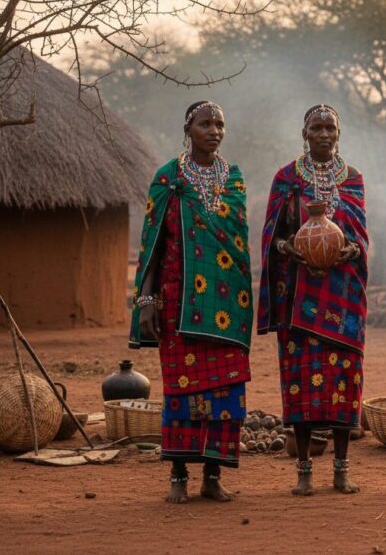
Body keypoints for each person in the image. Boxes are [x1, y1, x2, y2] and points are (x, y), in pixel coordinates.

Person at [130, 100, 253, 504]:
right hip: (178, 303)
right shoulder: (168, 177)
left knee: (225, 392)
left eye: (220, 123)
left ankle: (213, 476)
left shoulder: (233, 178)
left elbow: (239, 246)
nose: (214, 130)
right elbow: (151, 245)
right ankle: (179, 474)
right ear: (189, 128)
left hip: (227, 307)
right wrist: (146, 299)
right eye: (205, 124)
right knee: (181, 392)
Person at [258, 104, 368, 496]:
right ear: (304, 133)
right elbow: (272, 236)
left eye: (330, 127)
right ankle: (304, 470)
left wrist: (348, 251)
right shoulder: (286, 178)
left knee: (344, 381)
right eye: (316, 127)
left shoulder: (353, 179)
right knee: (301, 384)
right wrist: (293, 247)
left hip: (343, 297)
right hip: (299, 297)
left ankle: (341, 469)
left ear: (339, 133)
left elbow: (361, 238)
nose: (323, 134)